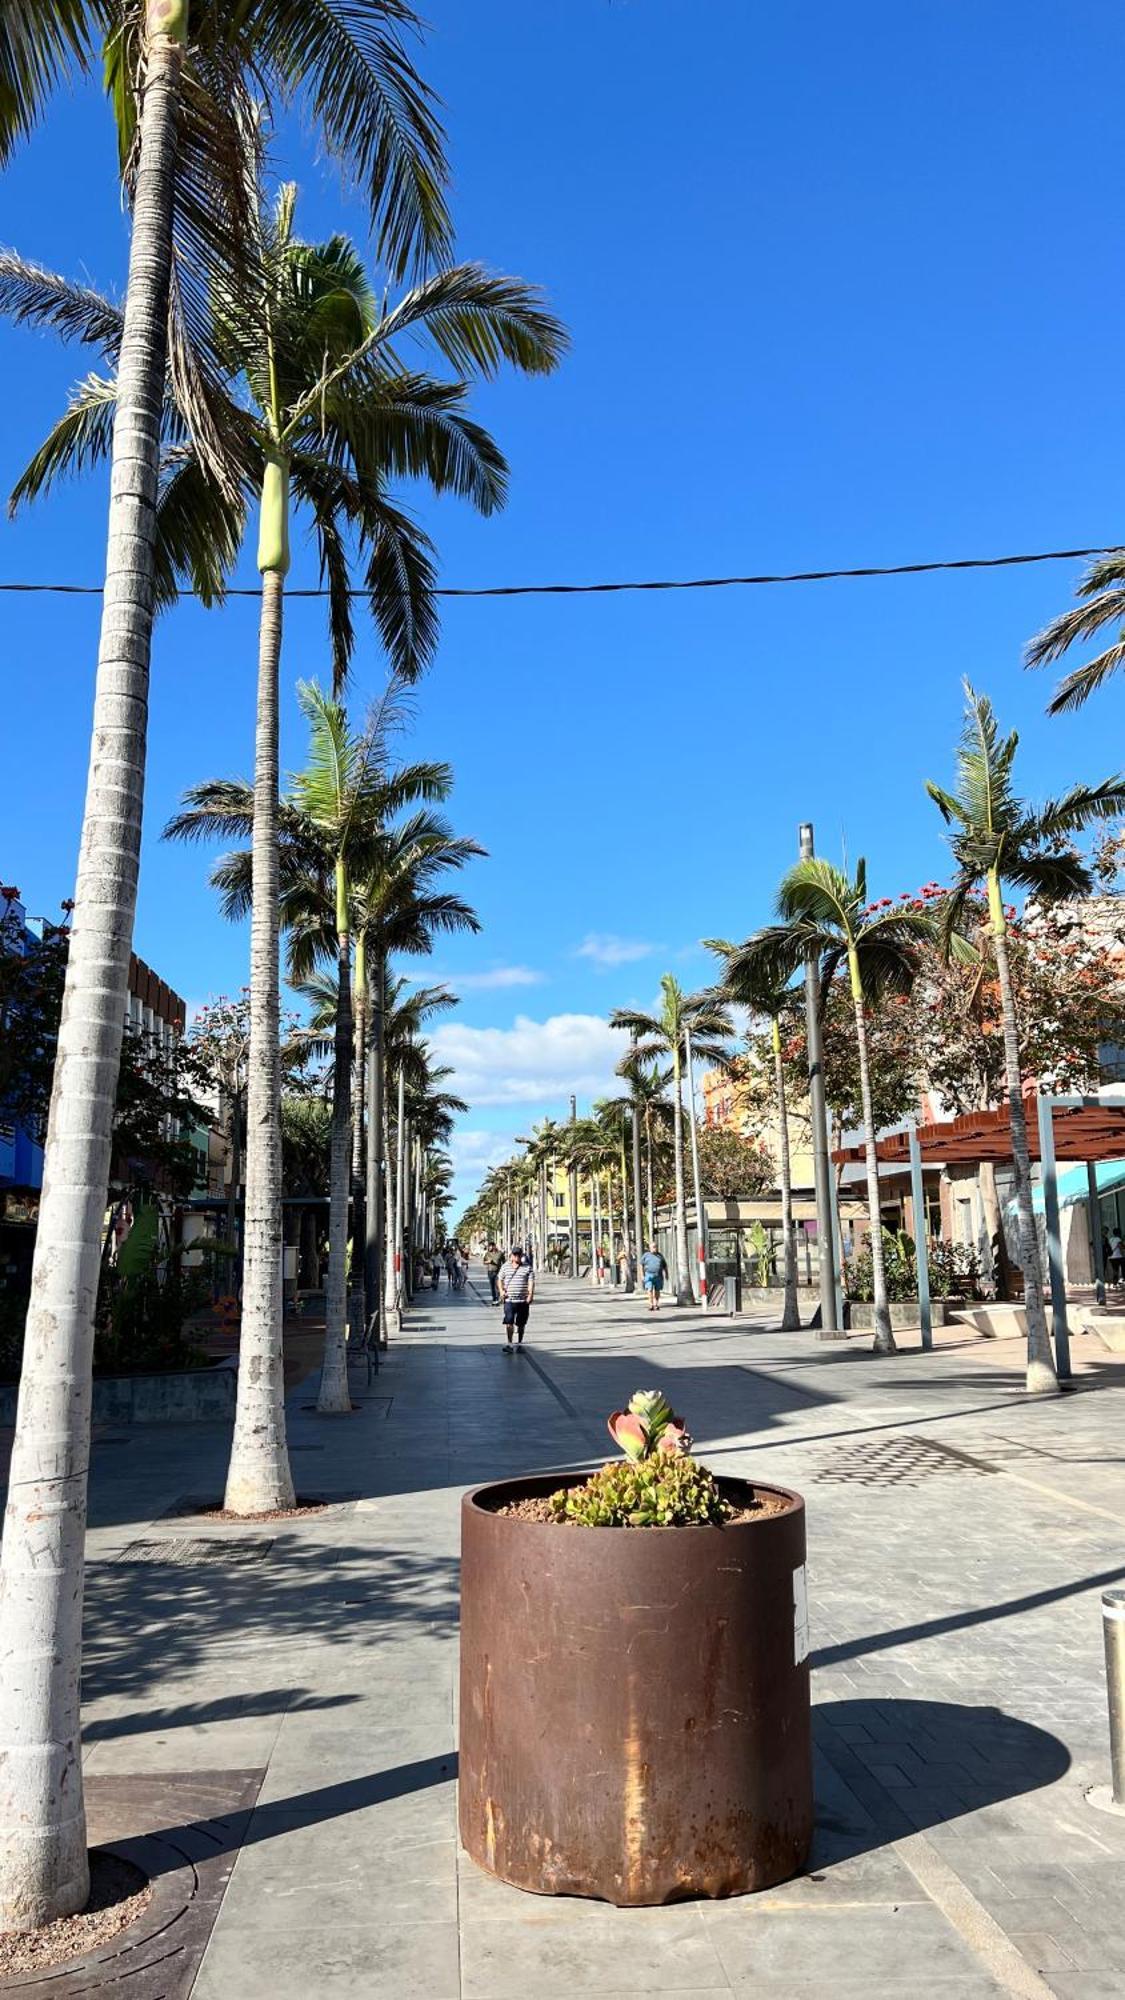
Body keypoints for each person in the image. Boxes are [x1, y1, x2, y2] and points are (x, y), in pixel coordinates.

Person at [499, 1245, 534, 1349]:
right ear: (511, 1256)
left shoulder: (527, 1267)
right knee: (509, 1322)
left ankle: (519, 1343)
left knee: (521, 1324)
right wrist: (501, 1291)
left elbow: (531, 1282)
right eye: (515, 1255)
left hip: (523, 1300)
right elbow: (500, 1279)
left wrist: (530, 1294)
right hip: (509, 1300)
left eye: (519, 1255)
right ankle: (510, 1343)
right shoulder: (505, 1267)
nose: (517, 1257)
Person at [640, 1241, 668, 1312]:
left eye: (656, 1247)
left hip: (658, 1275)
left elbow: (665, 1266)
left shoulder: (660, 1255)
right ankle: (650, 1304)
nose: (655, 1248)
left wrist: (667, 1274)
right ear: (650, 1248)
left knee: (657, 1290)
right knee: (649, 1289)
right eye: (653, 1247)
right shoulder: (646, 1255)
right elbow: (641, 1265)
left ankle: (656, 1304)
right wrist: (642, 1275)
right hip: (649, 1275)